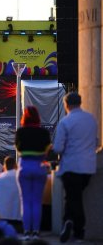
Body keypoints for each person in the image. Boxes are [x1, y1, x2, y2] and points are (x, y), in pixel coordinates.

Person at [53, 92, 98, 243]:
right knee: (75, 196)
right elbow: (96, 142)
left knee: (73, 197)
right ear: (80, 103)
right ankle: (70, 221)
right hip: (89, 167)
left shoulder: (65, 122)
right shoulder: (91, 119)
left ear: (66, 105)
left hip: (71, 165)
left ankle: (77, 227)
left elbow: (58, 148)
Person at [15, 105, 51, 240]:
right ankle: (36, 231)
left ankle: (26, 232)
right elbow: (47, 151)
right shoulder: (44, 133)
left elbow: (18, 150)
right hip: (39, 167)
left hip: (24, 167)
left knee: (25, 201)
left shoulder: (20, 132)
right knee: (37, 201)